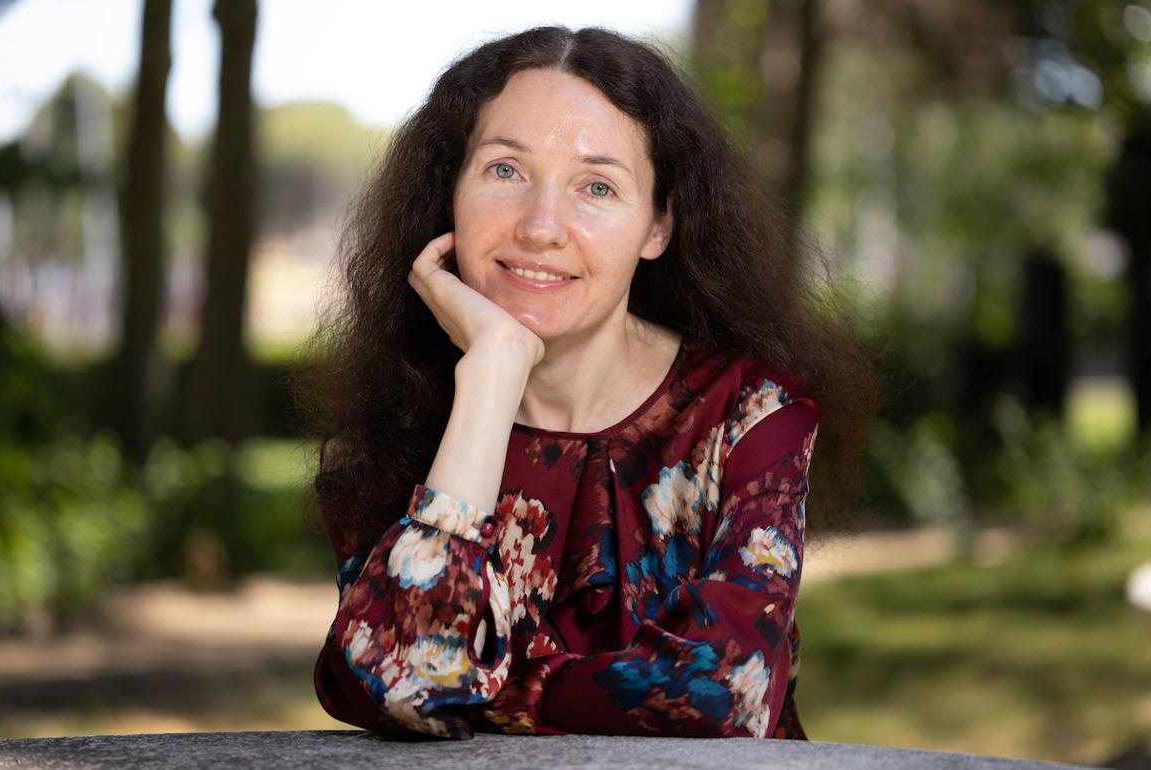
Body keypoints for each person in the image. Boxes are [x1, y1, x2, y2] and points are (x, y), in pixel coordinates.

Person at [305, 25, 877, 740]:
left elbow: (723, 692)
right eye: (505, 171)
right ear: (449, 195)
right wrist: (492, 375)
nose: (541, 227)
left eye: (597, 186)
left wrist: (484, 690)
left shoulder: (753, 413)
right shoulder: (389, 434)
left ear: (658, 227)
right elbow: (397, 682)